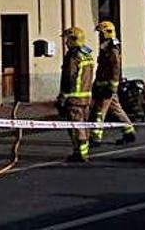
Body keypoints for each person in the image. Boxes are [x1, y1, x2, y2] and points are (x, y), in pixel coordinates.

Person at [89, 21, 135, 147]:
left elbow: (115, 68)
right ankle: (129, 132)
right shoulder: (106, 46)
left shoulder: (112, 48)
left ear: (107, 33)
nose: (99, 35)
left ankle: (95, 138)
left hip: (108, 86)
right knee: (116, 109)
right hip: (103, 85)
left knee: (99, 111)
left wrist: (112, 87)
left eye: (101, 33)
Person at [57, 27, 94, 162]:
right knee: (84, 124)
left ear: (74, 40)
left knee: (75, 126)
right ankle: (84, 150)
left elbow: (69, 77)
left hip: (74, 98)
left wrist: (62, 97)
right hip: (86, 97)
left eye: (67, 40)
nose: (66, 43)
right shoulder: (87, 54)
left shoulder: (73, 57)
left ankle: (80, 153)